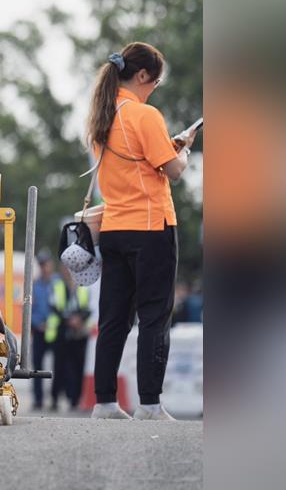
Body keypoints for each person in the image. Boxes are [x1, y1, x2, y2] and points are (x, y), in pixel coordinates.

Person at [86, 42, 197, 421]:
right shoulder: (144, 114)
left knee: (113, 318)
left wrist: (169, 148)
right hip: (151, 226)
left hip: (114, 228)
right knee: (154, 316)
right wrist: (183, 150)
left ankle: (104, 402)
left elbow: (137, 161)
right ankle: (149, 403)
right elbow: (173, 170)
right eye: (157, 82)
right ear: (144, 76)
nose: (155, 89)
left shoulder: (102, 115)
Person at [50, 263, 92, 412]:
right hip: (62, 332)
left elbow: (88, 309)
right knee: (59, 367)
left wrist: (78, 319)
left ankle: (74, 400)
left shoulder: (83, 287)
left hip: (79, 334)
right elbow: (54, 307)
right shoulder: (57, 285)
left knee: (77, 367)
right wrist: (69, 320)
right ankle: (55, 399)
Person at [30, 253, 56, 411]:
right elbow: (28, 310)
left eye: (47, 264)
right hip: (39, 331)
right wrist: (37, 324)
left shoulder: (56, 284)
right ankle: (38, 399)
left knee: (58, 366)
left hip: (54, 330)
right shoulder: (33, 286)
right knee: (37, 367)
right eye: (42, 265)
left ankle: (54, 397)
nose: (45, 268)